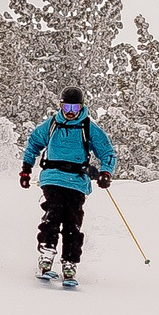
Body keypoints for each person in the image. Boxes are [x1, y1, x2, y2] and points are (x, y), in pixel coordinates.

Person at [20, 85, 117, 287]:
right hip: (53, 177)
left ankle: (70, 263)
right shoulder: (52, 125)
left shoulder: (88, 128)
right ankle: (46, 254)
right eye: (67, 107)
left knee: (72, 220)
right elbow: (34, 143)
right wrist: (26, 169)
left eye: (75, 107)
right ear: (61, 106)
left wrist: (105, 172)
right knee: (54, 212)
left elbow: (107, 152)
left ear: (81, 107)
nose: (71, 112)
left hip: (76, 181)